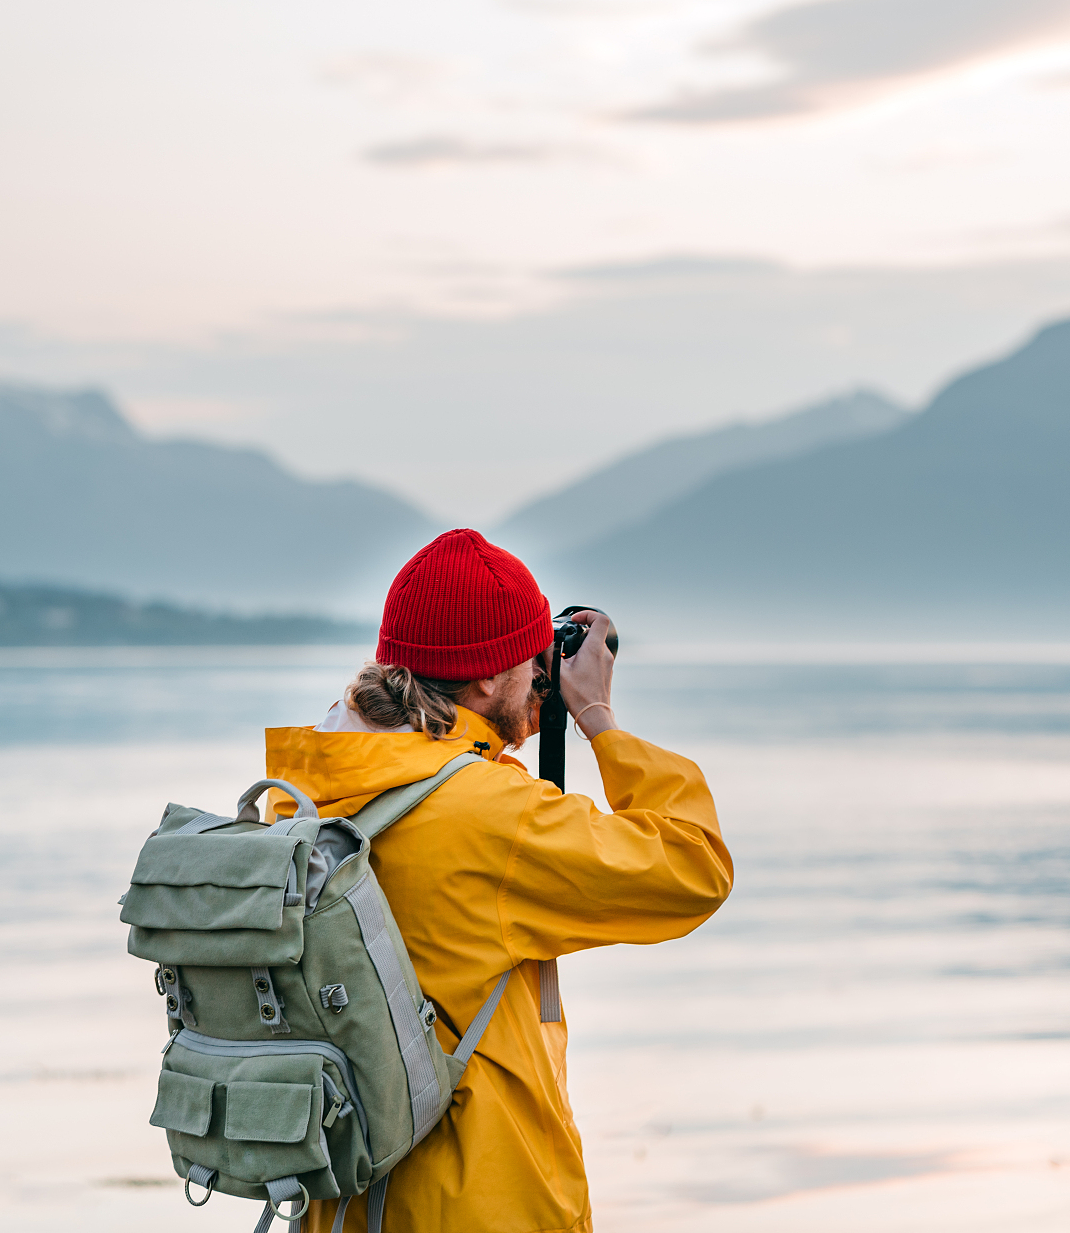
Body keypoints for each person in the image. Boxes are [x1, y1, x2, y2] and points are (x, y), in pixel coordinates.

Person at [264, 528, 734, 1233]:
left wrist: (516, 719)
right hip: (483, 1206)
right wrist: (597, 717)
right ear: (486, 678)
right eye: (526, 655)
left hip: (344, 1205)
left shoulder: (307, 794)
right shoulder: (492, 818)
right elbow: (694, 867)